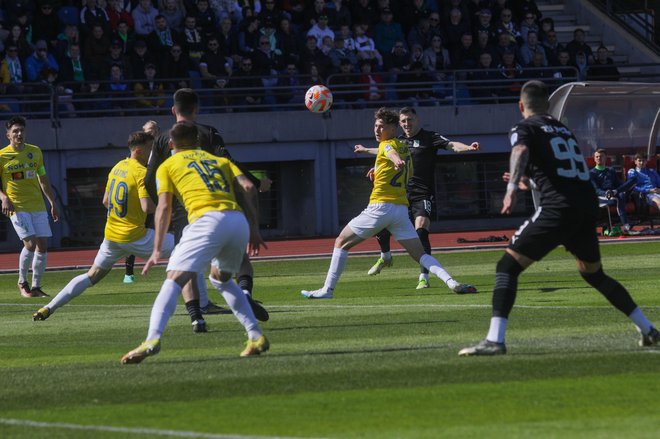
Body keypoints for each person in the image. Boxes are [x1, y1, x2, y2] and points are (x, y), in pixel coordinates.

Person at [459, 80, 659, 356]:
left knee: (507, 267)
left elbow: (519, 151)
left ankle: (495, 340)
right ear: (549, 107)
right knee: (594, 275)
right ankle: (647, 328)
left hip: (559, 208)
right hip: (585, 205)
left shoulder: (524, 127)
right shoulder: (563, 130)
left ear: (521, 106)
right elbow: (563, 172)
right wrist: (529, 182)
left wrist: (510, 187)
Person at [120, 121, 269, 363]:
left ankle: (152, 339)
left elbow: (165, 207)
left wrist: (157, 248)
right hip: (236, 220)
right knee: (220, 278)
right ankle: (255, 336)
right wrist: (254, 228)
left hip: (206, 221)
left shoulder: (167, 165)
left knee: (174, 278)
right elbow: (249, 186)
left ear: (170, 144)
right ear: (198, 142)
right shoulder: (219, 160)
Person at [301, 108, 478, 299]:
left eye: (381, 127)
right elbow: (406, 172)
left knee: (341, 242)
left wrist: (395, 162)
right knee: (420, 255)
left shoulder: (389, 145)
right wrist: (382, 170)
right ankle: (452, 282)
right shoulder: (406, 149)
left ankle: (327, 290)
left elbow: (391, 153)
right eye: (375, 126)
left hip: (381, 207)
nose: (376, 130)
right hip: (400, 210)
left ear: (392, 128)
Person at [145, 88, 270, 323]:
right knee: (239, 259)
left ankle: (196, 317)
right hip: (220, 204)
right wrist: (257, 182)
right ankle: (244, 293)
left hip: (185, 209)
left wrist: (166, 200)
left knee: (186, 264)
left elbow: (150, 178)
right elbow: (229, 163)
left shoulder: (162, 139)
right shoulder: (209, 132)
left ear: (174, 110)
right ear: (196, 109)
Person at [32, 132, 175, 321]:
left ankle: (49, 307)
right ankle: (197, 305)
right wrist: (167, 209)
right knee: (185, 245)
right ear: (139, 151)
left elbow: (106, 201)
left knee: (91, 275)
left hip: (111, 236)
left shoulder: (117, 167)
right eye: (150, 150)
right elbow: (147, 207)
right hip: (135, 236)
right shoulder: (140, 172)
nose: (152, 155)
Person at [358, 106, 480, 291]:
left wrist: (468, 148)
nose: (407, 124)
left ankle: (424, 277)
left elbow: (452, 145)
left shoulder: (429, 137)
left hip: (422, 194)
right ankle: (385, 255)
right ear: (399, 124)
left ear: (417, 120)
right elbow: (384, 152)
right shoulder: (397, 141)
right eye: (403, 121)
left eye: (410, 120)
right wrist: (370, 156)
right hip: (400, 195)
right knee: (381, 228)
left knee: (421, 231)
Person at [0, 116, 59, 298]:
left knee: (43, 245)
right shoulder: (2, 156)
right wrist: (3, 197)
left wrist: (52, 202)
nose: (19, 133)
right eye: (15, 131)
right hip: (16, 206)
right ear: (8, 135)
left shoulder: (35, 152)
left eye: (22, 130)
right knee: (30, 243)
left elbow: (42, 179)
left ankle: (36, 286)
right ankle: (22, 282)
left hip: (37, 205)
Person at [123, 119, 161, 284]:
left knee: (159, 228)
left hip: (154, 195)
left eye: (153, 130)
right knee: (136, 231)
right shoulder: (137, 154)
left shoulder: (161, 148)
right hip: (141, 199)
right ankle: (128, 272)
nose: (151, 133)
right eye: (148, 130)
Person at [590, 148, 635, 232]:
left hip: (614, 193)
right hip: (601, 197)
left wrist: (626, 186)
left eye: (601, 156)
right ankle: (626, 225)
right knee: (619, 197)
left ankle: (619, 192)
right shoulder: (592, 173)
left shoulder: (610, 170)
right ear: (594, 158)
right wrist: (606, 193)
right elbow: (596, 190)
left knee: (631, 182)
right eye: (597, 157)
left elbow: (618, 184)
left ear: (605, 158)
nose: (599, 158)